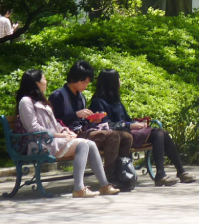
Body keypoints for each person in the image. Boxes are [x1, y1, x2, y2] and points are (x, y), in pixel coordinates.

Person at [15, 69, 120, 198]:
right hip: (39, 143)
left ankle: (104, 185)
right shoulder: (26, 102)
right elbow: (33, 128)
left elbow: (55, 123)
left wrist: (65, 131)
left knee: (90, 144)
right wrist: (59, 135)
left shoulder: (42, 101)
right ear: (37, 83)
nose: (46, 81)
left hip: (51, 140)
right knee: (83, 145)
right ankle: (79, 188)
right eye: (44, 79)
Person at [89, 69, 195, 187]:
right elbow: (105, 125)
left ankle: (180, 172)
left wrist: (138, 123)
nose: (120, 81)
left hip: (129, 132)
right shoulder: (98, 102)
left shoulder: (116, 101)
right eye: (118, 78)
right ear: (112, 82)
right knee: (159, 134)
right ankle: (161, 175)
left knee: (162, 133)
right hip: (120, 136)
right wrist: (129, 125)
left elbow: (127, 118)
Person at [49, 60, 133, 182]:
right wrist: (75, 115)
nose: (86, 85)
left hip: (85, 131)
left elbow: (83, 121)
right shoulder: (58, 96)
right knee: (113, 136)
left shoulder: (81, 96)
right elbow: (53, 122)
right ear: (75, 79)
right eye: (84, 82)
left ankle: (122, 171)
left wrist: (93, 120)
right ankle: (109, 177)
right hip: (69, 136)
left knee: (126, 137)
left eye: (88, 82)